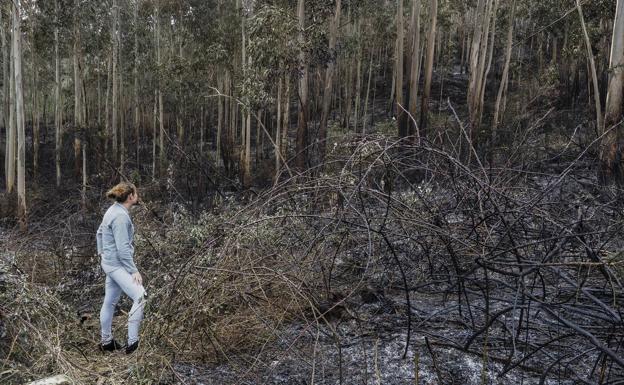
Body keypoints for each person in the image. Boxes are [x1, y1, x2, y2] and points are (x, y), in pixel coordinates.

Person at [96, 182, 145, 354]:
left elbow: (99, 233)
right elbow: (123, 249)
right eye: (136, 193)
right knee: (140, 296)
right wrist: (133, 270)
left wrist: (102, 254)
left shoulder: (113, 210)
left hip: (109, 263)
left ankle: (106, 341)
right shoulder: (120, 217)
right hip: (116, 265)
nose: (137, 196)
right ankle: (133, 344)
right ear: (130, 196)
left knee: (110, 301)